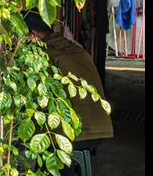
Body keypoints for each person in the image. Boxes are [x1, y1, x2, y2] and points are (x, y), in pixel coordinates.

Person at [23, 11, 112, 155]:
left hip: (81, 133)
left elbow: (40, 98)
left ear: (33, 34)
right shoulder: (75, 48)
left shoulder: (45, 55)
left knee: (42, 135)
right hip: (101, 128)